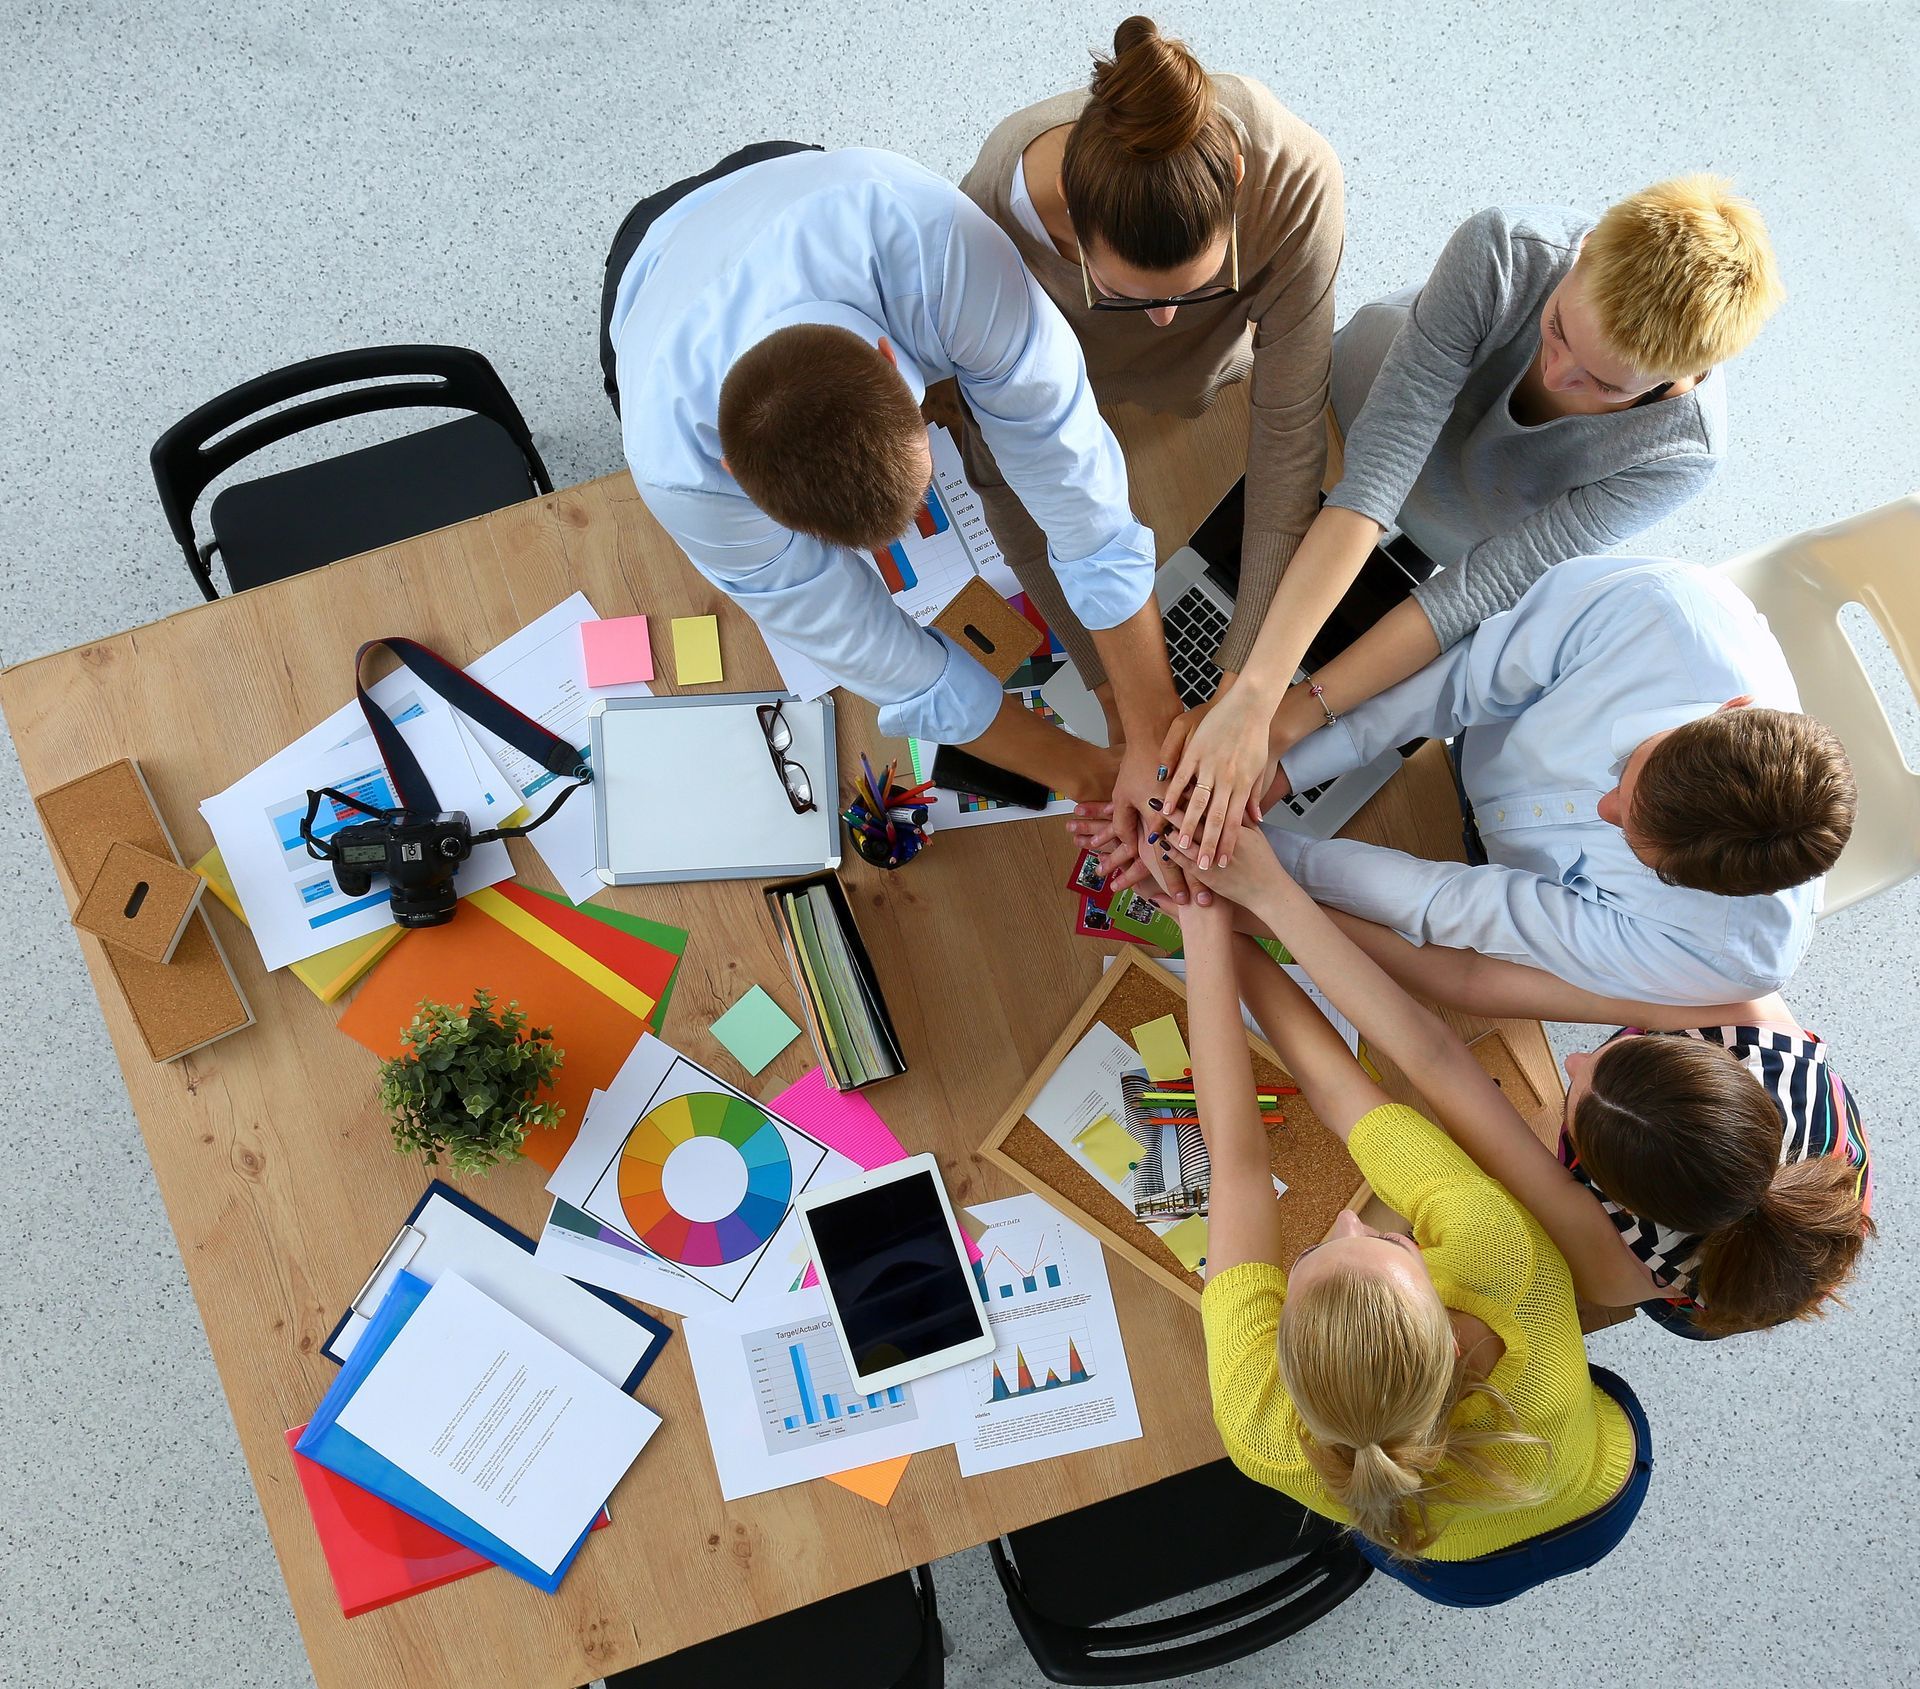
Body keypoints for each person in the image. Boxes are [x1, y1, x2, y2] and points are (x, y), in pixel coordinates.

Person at [1161, 176, 1785, 868]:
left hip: (1465, 532)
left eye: (1605, 385)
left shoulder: (1680, 454)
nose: (1556, 373)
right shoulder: (1504, 250)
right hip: (1350, 417)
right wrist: (1250, 696)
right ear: (1581, 254)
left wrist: (1283, 723)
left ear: (1684, 375)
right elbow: (1372, 485)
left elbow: (1473, 591)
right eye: (1557, 328)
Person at [600, 142, 1183, 847]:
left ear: (897, 367)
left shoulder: (942, 248)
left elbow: (1076, 485)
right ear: (731, 471)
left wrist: (1153, 732)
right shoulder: (676, 469)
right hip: (647, 272)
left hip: (786, 177)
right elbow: (879, 656)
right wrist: (1092, 778)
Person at [1182, 831, 1874, 1341]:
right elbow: (1469, 980)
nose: (1571, 1062)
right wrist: (1266, 908)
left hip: (1719, 1277)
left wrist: (1266, 907)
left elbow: (1436, 1056)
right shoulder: (1747, 1024)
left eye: (1575, 1104)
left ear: (1608, 1191)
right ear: (1697, 1059)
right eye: (1609, 1055)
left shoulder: (1622, 1268)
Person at [1177, 884, 1651, 1604]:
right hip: (1595, 1495)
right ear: (1452, 1341)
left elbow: (1235, 1161)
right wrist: (1211, 924)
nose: (1351, 1222)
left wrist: (1207, 926)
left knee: (1402, 1535)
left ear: (1284, 1364)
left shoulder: (1260, 1427)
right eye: (1392, 1245)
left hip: (1460, 1566)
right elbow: (1325, 1105)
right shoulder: (1506, 1265)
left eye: (1311, 1255)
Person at [1118, 553, 1854, 1003]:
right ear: (1731, 708)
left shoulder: (1723, 951)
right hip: (1454, 740)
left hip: (1468, 861)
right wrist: (1280, 768)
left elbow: (1463, 905)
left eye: (1633, 845)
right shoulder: (1660, 611)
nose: (1602, 806)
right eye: (1627, 770)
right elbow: (1462, 681)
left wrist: (1261, 860)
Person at [960, 15, 1343, 745]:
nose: (1166, 320)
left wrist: (1239, 689)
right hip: (1062, 411)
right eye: (1120, 294)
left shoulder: (1297, 180)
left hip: (1208, 399)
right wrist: (1109, 694)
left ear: (1237, 182)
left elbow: (1290, 439)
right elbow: (1001, 474)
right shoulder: (984, 226)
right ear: (1069, 207)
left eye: (1200, 288)